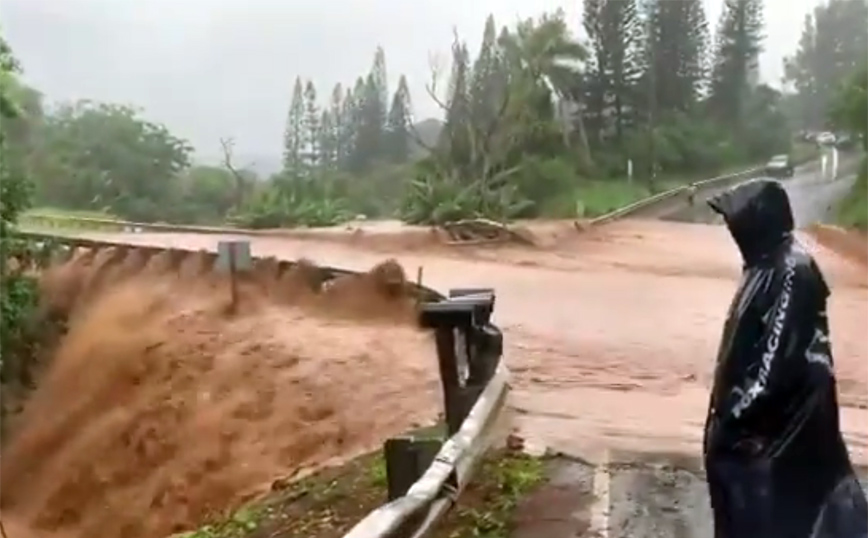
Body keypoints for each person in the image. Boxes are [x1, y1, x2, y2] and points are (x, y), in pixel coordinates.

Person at [702, 178, 868, 538]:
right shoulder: (764, 266)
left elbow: (776, 359)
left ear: (759, 220)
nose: (732, 229)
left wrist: (738, 414)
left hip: (774, 438)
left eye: (737, 221)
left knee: (787, 518)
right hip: (763, 437)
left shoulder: (791, 270)